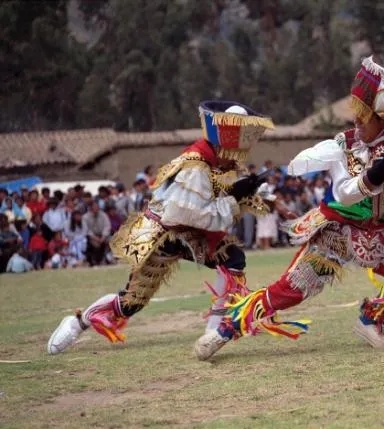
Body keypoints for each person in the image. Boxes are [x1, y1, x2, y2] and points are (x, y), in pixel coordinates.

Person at [194, 58, 384, 361]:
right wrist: (368, 176)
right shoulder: (344, 147)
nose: (356, 123)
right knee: (289, 292)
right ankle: (226, 330)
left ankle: (370, 320)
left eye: (364, 117)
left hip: (378, 234)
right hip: (334, 232)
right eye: (356, 116)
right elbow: (338, 191)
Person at [47, 100, 275, 355]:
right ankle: (78, 322)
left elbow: (214, 199)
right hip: (163, 235)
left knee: (233, 259)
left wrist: (248, 191)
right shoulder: (195, 165)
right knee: (131, 302)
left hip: (191, 234)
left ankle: (214, 331)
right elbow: (194, 214)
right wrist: (234, 198)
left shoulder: (223, 161)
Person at [82, 201, 111, 266]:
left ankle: (107, 259)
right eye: (94, 208)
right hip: (92, 237)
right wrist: (95, 238)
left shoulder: (103, 215)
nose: (96, 209)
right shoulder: (85, 217)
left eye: (97, 207)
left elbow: (107, 226)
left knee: (110, 241)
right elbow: (86, 230)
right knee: (95, 244)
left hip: (103, 235)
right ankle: (92, 261)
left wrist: (103, 236)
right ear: (90, 208)